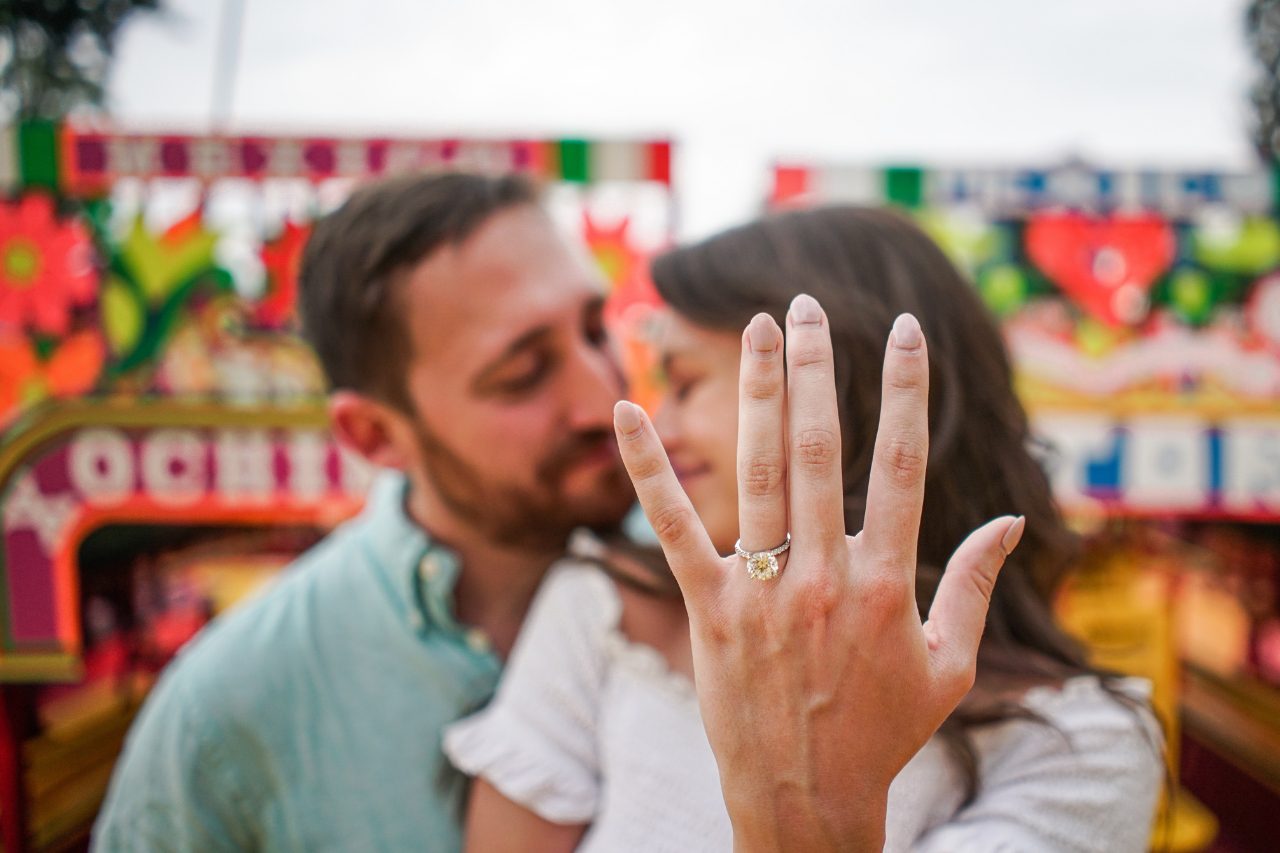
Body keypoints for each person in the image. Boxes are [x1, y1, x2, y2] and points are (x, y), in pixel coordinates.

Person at [445, 207, 1164, 852]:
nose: (659, 428)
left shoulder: (1085, 745)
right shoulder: (602, 604)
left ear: (838, 389)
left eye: (687, 382)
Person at [92, 173, 638, 850]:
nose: (602, 399)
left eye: (596, 330)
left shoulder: (726, 582)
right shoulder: (226, 714)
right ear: (375, 434)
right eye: (523, 373)